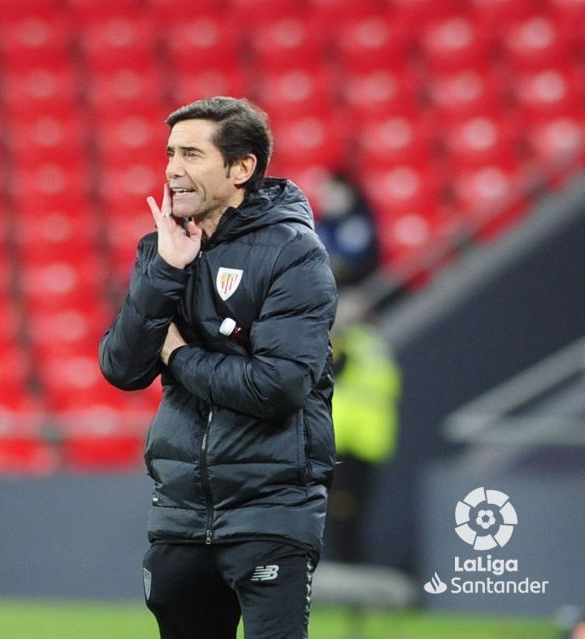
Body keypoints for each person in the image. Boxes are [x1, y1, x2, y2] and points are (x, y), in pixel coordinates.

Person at [99, 97, 338, 639]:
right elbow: (122, 367)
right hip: (181, 515)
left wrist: (180, 354)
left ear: (241, 168)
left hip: (271, 511)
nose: (171, 169)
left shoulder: (294, 254)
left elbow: (277, 387)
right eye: (169, 154)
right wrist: (165, 270)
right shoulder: (160, 250)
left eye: (191, 154)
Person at [322, 292, 401, 564]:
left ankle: (349, 568)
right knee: (348, 510)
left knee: (348, 510)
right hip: (359, 440)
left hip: (356, 439)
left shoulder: (359, 344)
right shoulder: (364, 344)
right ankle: (348, 566)